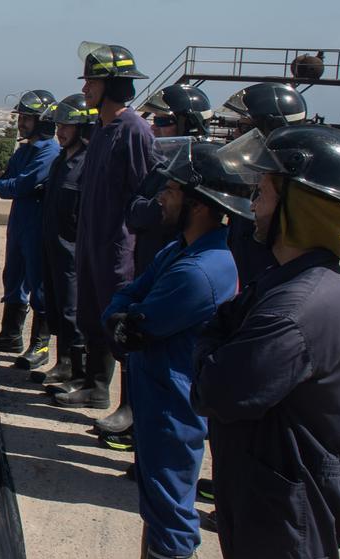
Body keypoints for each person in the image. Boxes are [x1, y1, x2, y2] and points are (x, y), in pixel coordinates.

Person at [192, 126, 340, 559]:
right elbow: (223, 334)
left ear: (299, 206)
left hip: (290, 504)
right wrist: (218, 342)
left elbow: (218, 389)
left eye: (264, 194)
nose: (253, 207)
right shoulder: (286, 283)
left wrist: (211, 348)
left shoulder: (299, 306)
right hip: (265, 490)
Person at [92, 140, 242, 559]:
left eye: (173, 192)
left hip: (174, 400)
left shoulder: (201, 271)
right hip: (156, 389)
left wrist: (121, 318)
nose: (163, 200)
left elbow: (137, 324)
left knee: (172, 498)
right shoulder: (184, 250)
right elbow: (129, 295)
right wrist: (121, 314)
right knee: (155, 490)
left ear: (199, 204)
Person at [105, 83, 213, 451]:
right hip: (154, 256)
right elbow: (135, 208)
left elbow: (145, 209)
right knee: (138, 337)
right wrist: (155, 210)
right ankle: (133, 411)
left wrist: (153, 211)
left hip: (182, 266)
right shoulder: (163, 164)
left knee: (174, 356)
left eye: (165, 121)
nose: (154, 128)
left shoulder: (205, 169)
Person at [54, 42, 154, 421]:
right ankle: (95, 387)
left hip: (116, 245)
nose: (85, 90)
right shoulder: (101, 128)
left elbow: (146, 193)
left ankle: (128, 405)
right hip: (91, 242)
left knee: (119, 322)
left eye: (92, 82)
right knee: (93, 314)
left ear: (111, 85)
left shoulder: (134, 131)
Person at [0, 90, 60, 372]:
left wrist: (10, 186)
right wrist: (10, 186)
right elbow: (6, 183)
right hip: (20, 222)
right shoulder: (24, 150)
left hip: (38, 224)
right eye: (21, 117)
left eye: (27, 118)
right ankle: (10, 335)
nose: (21, 123)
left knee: (38, 284)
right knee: (13, 276)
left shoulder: (49, 152)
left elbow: (19, 185)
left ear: (44, 120)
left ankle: (41, 345)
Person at [33, 94, 96, 390]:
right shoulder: (61, 162)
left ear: (83, 128)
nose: (61, 131)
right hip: (51, 246)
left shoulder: (88, 164)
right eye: (59, 125)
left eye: (68, 125)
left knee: (73, 312)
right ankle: (63, 364)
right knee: (57, 307)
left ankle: (80, 375)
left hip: (73, 251)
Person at [219, 82, 304, 285]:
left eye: (245, 127)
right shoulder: (253, 178)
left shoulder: (290, 193)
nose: (236, 134)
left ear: (272, 128)